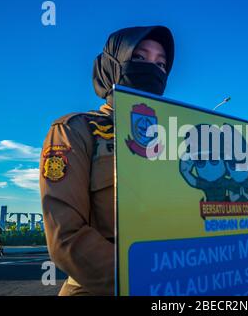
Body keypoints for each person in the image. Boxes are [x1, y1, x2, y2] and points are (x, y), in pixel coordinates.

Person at [39, 26, 175, 296]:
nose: (153, 69)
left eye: (161, 64)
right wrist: (144, 281)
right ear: (111, 66)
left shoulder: (174, 137)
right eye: (139, 58)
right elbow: (65, 236)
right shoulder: (75, 130)